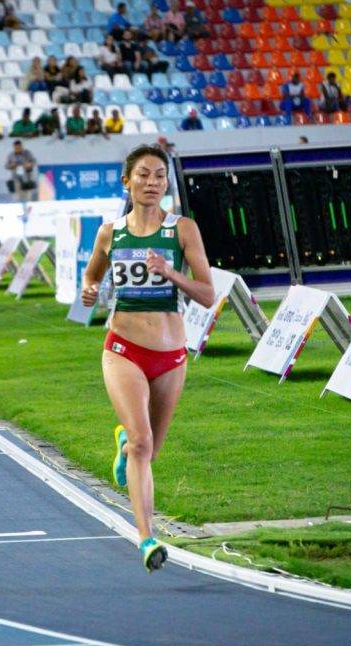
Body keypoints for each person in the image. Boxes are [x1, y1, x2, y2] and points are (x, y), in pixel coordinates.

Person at [79, 144, 213, 573]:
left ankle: (124, 444)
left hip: (172, 355)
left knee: (148, 451)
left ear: (167, 183)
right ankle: (145, 537)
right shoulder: (109, 233)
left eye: (159, 175)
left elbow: (208, 295)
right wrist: (87, 292)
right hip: (123, 350)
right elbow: (92, 276)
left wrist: (171, 272)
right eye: (143, 175)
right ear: (127, 182)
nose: (152, 183)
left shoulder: (183, 230)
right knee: (143, 443)